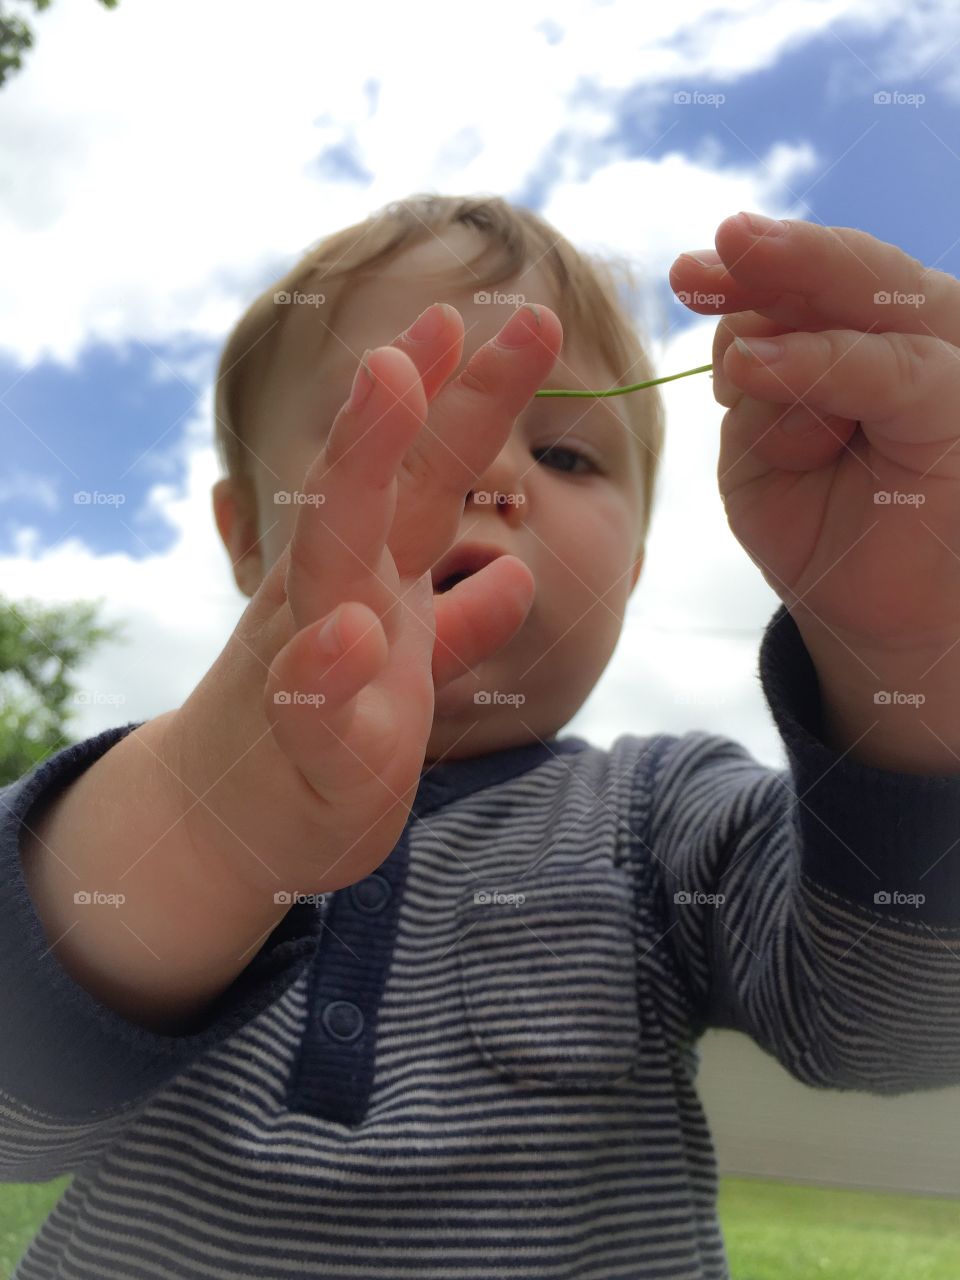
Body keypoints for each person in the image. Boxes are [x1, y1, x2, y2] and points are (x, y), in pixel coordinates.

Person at [2, 193, 959, 1280]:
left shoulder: (660, 813)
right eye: (400, 430)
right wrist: (198, 824)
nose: (491, 476)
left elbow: (885, 1020)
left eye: (566, 451)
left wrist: (908, 669)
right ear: (242, 532)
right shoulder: (121, 806)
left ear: (635, 568)